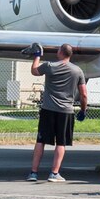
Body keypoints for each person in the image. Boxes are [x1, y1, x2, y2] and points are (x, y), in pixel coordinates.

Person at [26, 43, 88, 182]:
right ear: (70, 54)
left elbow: (34, 71)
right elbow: (84, 94)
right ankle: (54, 173)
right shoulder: (77, 71)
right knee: (61, 143)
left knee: (40, 140)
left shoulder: (49, 66)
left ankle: (33, 173)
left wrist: (37, 56)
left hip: (48, 109)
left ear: (60, 52)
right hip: (66, 112)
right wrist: (83, 110)